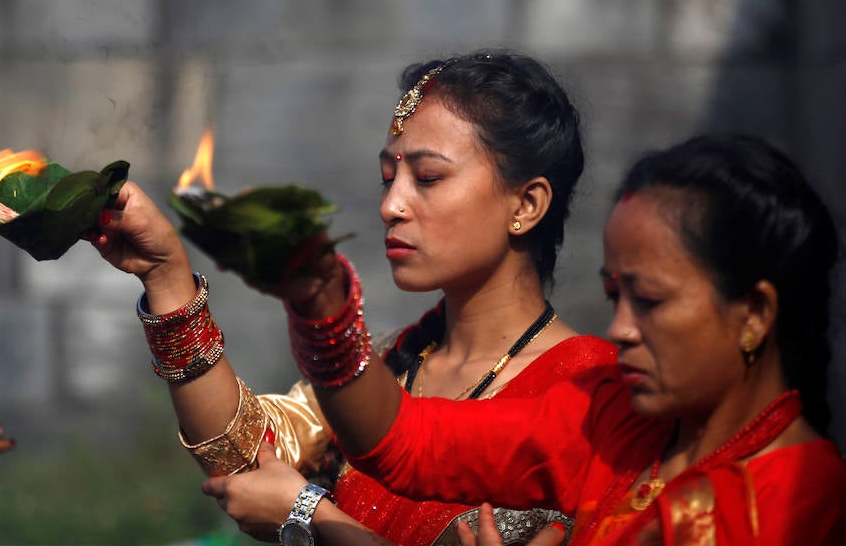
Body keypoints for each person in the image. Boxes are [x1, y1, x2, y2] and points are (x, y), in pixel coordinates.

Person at [89, 51, 618, 545]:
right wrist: (166, 277)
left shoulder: (596, 393)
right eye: (388, 178)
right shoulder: (390, 361)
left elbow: (290, 502)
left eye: (428, 178)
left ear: (526, 203)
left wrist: (314, 520)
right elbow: (247, 459)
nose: (391, 205)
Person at [294, 134, 846, 544]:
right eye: (614, 299)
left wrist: (313, 520)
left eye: (650, 302)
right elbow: (404, 442)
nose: (622, 330)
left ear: (753, 313)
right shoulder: (610, 420)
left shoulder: (799, 488)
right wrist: (322, 308)